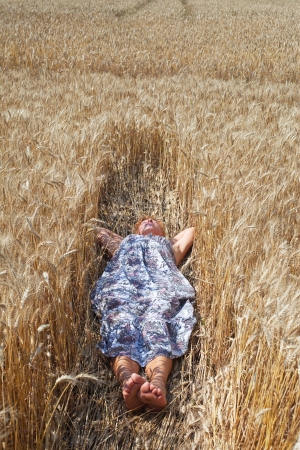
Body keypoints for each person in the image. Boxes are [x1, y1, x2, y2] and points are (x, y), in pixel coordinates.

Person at [91, 217, 196, 412]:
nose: (149, 219)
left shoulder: (168, 247)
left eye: (154, 221)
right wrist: (131, 238)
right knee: (122, 324)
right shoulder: (126, 243)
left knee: (158, 323)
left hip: (159, 290)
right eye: (143, 221)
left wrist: (165, 239)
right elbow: (98, 231)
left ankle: (157, 383)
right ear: (136, 230)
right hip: (123, 288)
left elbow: (191, 231)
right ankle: (128, 383)